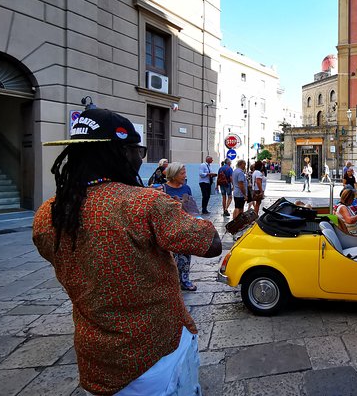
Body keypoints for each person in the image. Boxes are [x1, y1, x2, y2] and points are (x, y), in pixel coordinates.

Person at [32, 108, 221, 395]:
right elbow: (211, 245)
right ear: (120, 152)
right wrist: (186, 215)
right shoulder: (144, 204)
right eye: (138, 150)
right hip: (156, 356)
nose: (139, 158)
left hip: (96, 361)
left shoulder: (48, 214)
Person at [161, 162, 198, 292]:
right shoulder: (163, 189)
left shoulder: (186, 188)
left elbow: (192, 208)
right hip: (169, 228)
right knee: (171, 258)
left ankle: (185, 280)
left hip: (184, 227)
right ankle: (171, 282)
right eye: (182, 173)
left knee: (186, 255)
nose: (185, 175)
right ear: (174, 174)